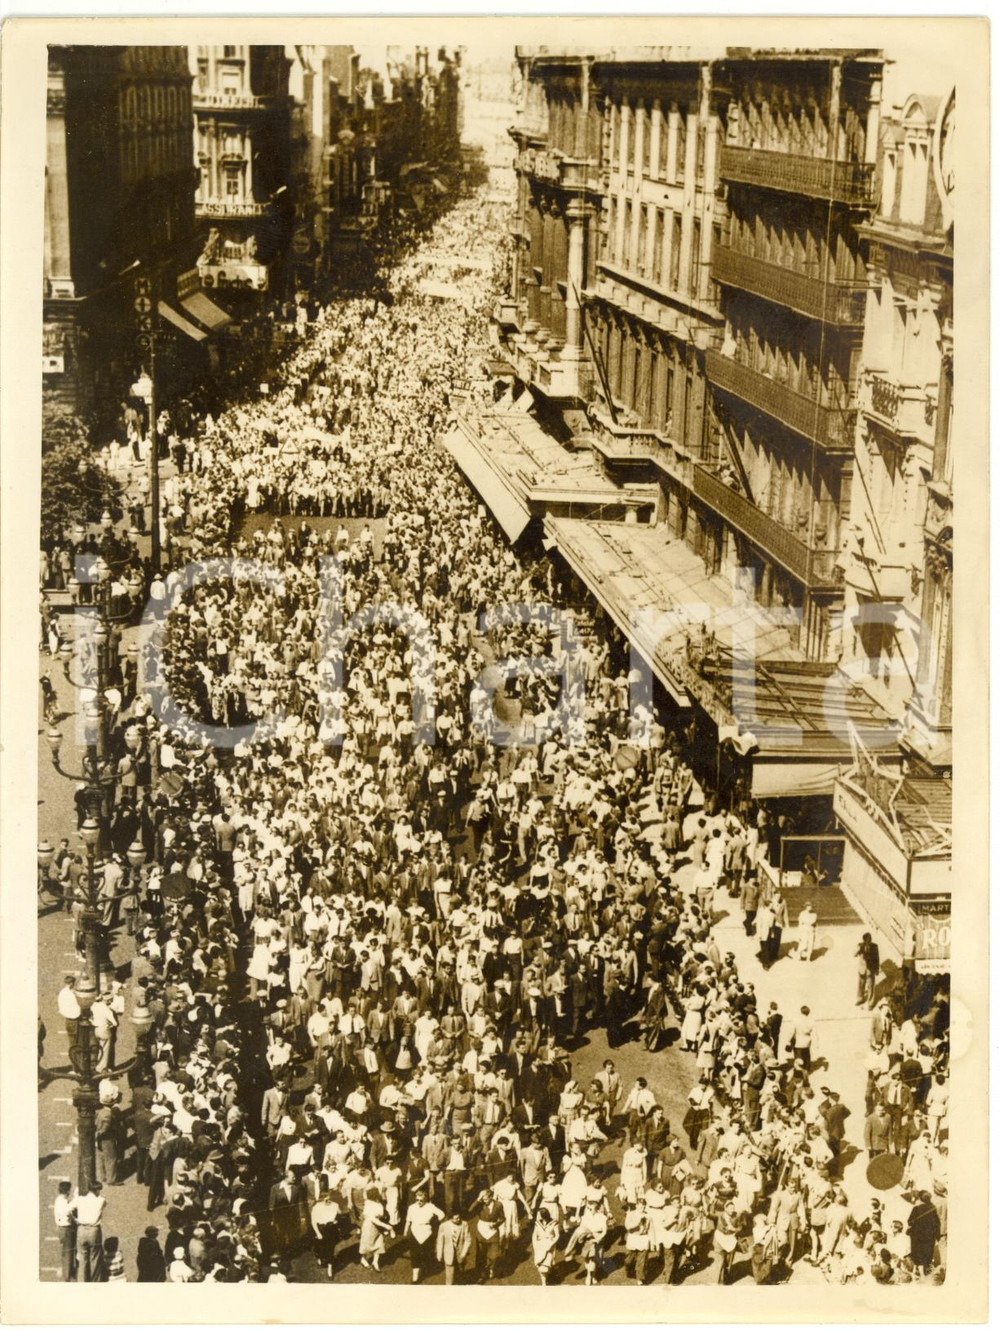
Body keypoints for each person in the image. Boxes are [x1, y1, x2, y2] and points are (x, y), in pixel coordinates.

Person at [403, 1185, 443, 1283]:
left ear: (425, 1199)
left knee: (426, 1254)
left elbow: (441, 1214)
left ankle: (425, 1269)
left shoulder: (430, 1206)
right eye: (417, 1200)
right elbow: (408, 1221)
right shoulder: (411, 1208)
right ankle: (415, 1275)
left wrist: (436, 1224)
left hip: (427, 1232)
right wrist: (405, 1231)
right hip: (415, 1231)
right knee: (414, 1254)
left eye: (421, 1200)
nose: (419, 1202)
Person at [71, 1181, 106, 1283]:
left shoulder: (80, 1199)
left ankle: (81, 1281)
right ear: (97, 1190)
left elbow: (68, 1210)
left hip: (81, 1229)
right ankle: (94, 1281)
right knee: (94, 1257)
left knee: (82, 1258)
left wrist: (75, 1219)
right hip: (94, 1230)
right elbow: (103, 1205)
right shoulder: (101, 1200)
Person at [436, 1211, 471, 1286]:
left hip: (460, 1254)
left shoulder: (464, 1224)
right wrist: (439, 1254)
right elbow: (440, 1241)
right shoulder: (443, 1226)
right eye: (456, 1219)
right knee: (449, 1276)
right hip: (448, 1254)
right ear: (450, 1219)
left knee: (460, 1274)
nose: (458, 1220)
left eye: (459, 1218)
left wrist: (463, 1253)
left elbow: (468, 1240)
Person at [53, 1181, 76, 1281]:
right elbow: (67, 1212)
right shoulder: (63, 1202)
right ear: (67, 1191)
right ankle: (67, 1275)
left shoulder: (59, 1200)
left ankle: (69, 1272)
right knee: (68, 1253)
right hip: (66, 1229)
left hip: (62, 1228)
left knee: (67, 1252)